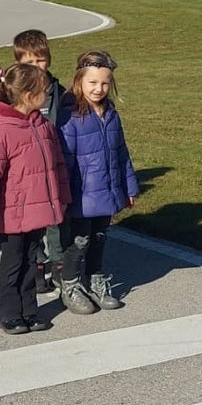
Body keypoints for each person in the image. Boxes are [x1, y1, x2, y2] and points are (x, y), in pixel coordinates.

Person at [0, 64, 71, 335]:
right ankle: (9, 313)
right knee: (13, 264)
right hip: (12, 213)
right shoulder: (0, 132)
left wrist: (62, 197)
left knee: (32, 261)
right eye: (42, 90)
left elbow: (57, 165)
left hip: (38, 210)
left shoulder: (43, 126)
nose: (47, 92)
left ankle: (30, 309)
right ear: (27, 95)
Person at [58, 50, 139, 314]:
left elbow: (121, 153)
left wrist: (129, 187)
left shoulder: (111, 113)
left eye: (105, 83)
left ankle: (96, 279)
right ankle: (70, 284)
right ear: (79, 80)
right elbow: (65, 160)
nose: (99, 89)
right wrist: (62, 194)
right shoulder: (70, 116)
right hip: (81, 193)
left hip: (108, 190)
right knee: (79, 241)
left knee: (100, 237)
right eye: (92, 82)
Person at [12, 28, 70, 293]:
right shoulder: (14, 97)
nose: (37, 67)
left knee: (57, 219)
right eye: (29, 62)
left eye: (41, 60)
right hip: (28, 169)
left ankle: (60, 266)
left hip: (55, 165)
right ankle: (36, 266)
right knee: (34, 221)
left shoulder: (60, 92)